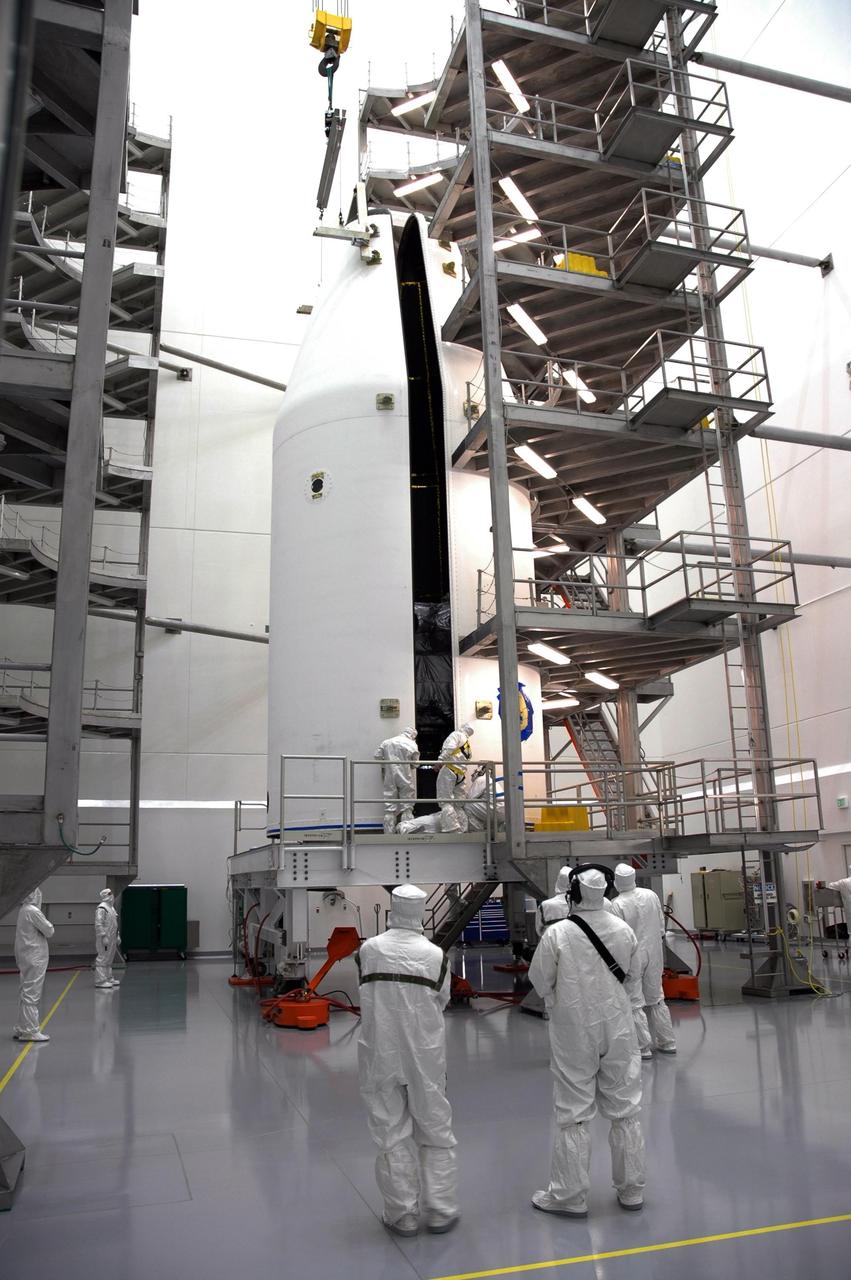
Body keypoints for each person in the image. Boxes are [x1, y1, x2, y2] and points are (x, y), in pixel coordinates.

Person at [529, 867, 646, 1216]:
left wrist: (558, 998)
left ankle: (569, 1196)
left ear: (574, 894)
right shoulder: (623, 930)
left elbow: (539, 979)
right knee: (625, 1108)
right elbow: (633, 975)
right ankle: (632, 1189)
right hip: (618, 1026)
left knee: (574, 1111)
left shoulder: (558, 933)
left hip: (574, 1029)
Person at [357, 883, 458, 1237]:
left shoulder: (369, 951)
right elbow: (443, 999)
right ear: (421, 912)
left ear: (392, 909)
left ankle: (402, 1214)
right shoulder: (436, 956)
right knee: (435, 1126)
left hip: (380, 1050)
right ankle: (441, 1209)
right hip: (425, 1054)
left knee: (390, 1130)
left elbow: (364, 990)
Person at [610, 863, 676, 1059]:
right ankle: (668, 1042)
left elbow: (618, 937)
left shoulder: (617, 904)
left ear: (617, 881)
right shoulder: (651, 895)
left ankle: (643, 1047)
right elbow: (661, 925)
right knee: (657, 998)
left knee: (635, 1001)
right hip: (654, 953)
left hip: (632, 956)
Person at [12, 887, 54, 1043]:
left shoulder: (23, 910)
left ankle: (22, 1027)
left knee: (25, 991)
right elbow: (49, 930)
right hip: (35, 958)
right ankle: (30, 1031)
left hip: (25, 956)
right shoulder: (33, 911)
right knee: (32, 993)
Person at [374, 727, 420, 834]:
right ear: (413, 736)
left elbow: (377, 756)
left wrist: (385, 764)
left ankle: (388, 834)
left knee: (389, 807)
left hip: (389, 776)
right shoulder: (412, 744)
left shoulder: (387, 742)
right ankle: (406, 833)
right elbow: (416, 764)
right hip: (405, 776)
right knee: (407, 806)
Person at [436, 723, 474, 833]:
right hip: (461, 775)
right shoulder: (467, 745)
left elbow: (449, 748)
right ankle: (462, 829)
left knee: (445, 801)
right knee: (458, 804)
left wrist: (440, 761)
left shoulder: (456, 735)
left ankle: (451, 830)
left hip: (449, 771)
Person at [94, 888, 121, 989]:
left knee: (109, 958)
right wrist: (103, 936)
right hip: (105, 938)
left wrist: (117, 935)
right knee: (103, 958)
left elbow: (115, 924)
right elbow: (98, 923)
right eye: (109, 894)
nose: (112, 896)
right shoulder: (102, 908)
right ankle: (100, 981)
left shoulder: (111, 908)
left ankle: (108, 978)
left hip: (112, 937)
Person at [536, 866, 573, 937]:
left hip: (551, 942)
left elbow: (539, 931)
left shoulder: (545, 905)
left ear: (558, 881)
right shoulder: (580, 904)